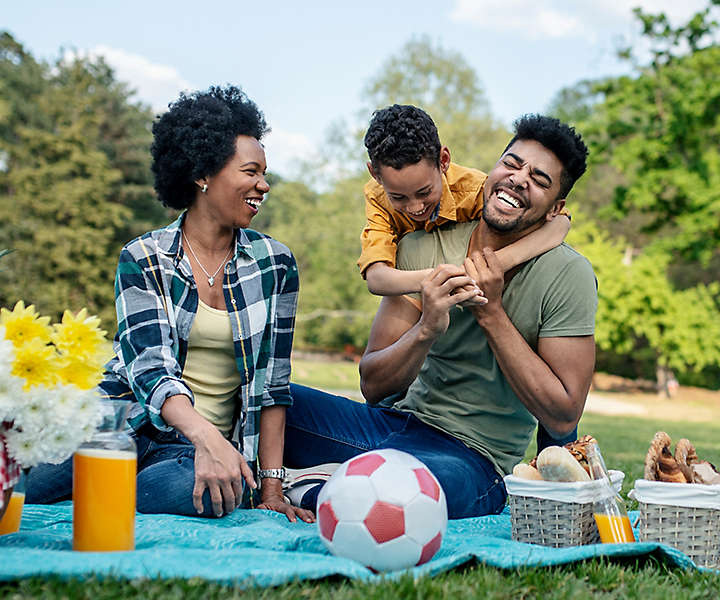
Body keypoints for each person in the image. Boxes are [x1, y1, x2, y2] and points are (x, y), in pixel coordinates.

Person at [283, 114, 597, 519]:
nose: (519, 179)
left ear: (556, 209)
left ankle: (312, 489)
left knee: (417, 490)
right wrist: (426, 329)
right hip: (391, 427)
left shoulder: (568, 275)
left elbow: (562, 414)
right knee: (270, 403)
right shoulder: (420, 248)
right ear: (492, 170)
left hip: (470, 460)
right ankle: (334, 481)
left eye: (539, 179)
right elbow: (374, 387)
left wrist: (492, 312)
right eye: (513, 164)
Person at [26, 85, 313, 524]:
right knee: (26, 480)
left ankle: (112, 485)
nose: (263, 185)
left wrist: (270, 488)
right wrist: (207, 437)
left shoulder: (276, 263)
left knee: (208, 490)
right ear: (202, 174)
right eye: (251, 171)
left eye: (264, 173)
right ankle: (108, 475)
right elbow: (151, 369)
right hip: (125, 423)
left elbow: (273, 384)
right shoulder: (143, 257)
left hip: (191, 453)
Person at [359, 104, 571, 297]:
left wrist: (498, 263)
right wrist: (447, 278)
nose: (415, 206)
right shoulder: (377, 197)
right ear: (374, 174)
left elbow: (559, 223)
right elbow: (377, 278)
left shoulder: (474, 189)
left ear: (443, 161)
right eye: (398, 197)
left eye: (424, 192)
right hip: (422, 295)